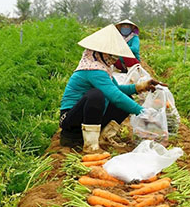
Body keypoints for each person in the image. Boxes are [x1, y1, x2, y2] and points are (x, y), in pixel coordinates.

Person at [59, 24, 159, 152]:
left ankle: (101, 136)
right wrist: (141, 111)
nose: (114, 58)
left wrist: (142, 86)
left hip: (84, 116)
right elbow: (115, 96)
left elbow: (118, 91)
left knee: (124, 99)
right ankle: (89, 145)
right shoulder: (93, 69)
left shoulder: (102, 68)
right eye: (110, 54)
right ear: (99, 52)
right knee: (96, 96)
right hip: (70, 120)